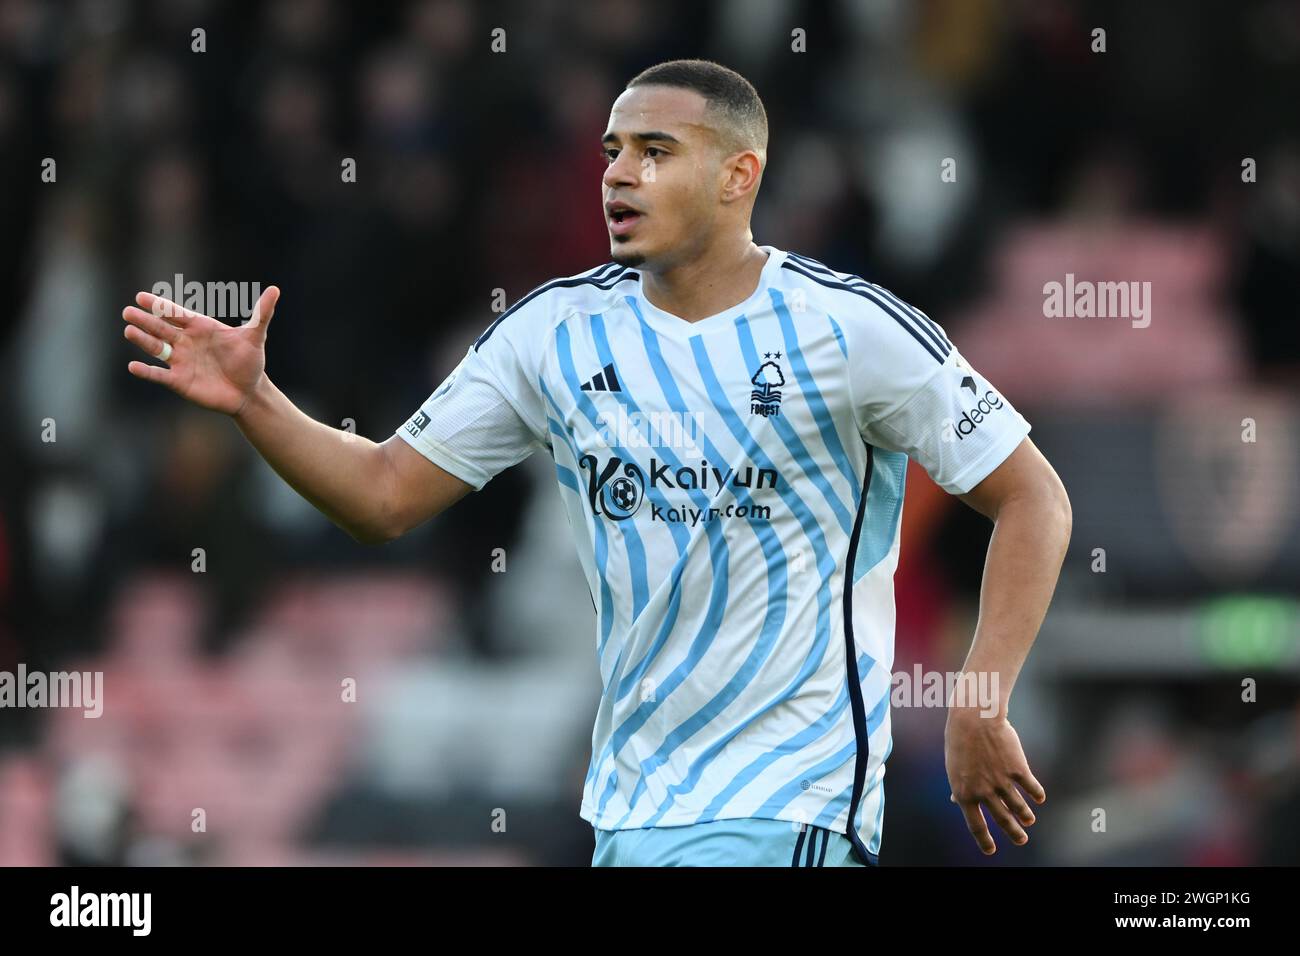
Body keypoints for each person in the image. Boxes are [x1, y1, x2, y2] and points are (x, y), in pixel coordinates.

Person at [120, 59, 1071, 867]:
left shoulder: (850, 330)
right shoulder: (553, 334)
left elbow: (1032, 494)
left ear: (739, 175)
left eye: (656, 153)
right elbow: (381, 496)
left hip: (794, 800)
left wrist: (979, 698)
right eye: (613, 151)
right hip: (627, 810)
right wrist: (256, 400)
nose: (619, 175)